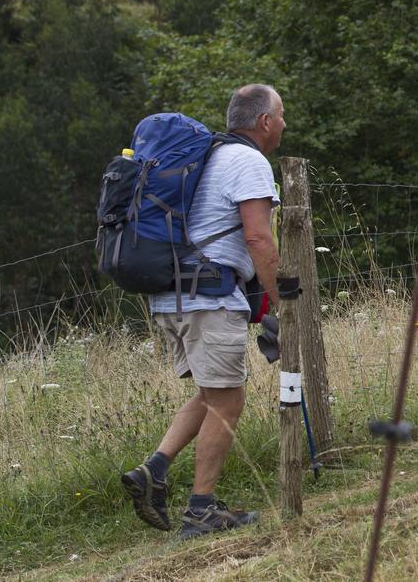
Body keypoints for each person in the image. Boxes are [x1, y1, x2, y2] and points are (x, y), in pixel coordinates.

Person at [120, 84, 287, 539]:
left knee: (213, 394)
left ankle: (153, 470)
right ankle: (201, 510)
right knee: (228, 400)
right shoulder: (249, 161)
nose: (285, 124)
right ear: (265, 122)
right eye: (282, 115)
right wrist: (277, 300)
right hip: (207, 297)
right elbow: (257, 238)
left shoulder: (204, 155)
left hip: (169, 296)